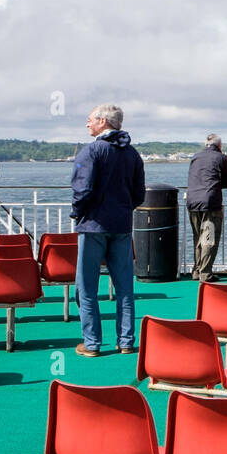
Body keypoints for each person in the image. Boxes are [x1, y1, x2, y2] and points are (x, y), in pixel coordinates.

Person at [70, 103, 146, 357]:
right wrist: (123, 208)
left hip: (93, 225)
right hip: (121, 225)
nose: (87, 123)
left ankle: (91, 343)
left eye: (90, 119)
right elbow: (139, 194)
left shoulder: (92, 152)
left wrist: (78, 211)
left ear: (103, 121)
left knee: (87, 285)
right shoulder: (132, 154)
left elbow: (82, 188)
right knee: (125, 286)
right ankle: (126, 341)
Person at [186, 133, 227, 282]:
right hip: (210, 201)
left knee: (197, 238)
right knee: (209, 238)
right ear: (219, 145)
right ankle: (205, 273)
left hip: (192, 200)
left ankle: (196, 270)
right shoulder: (221, 158)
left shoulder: (196, 156)